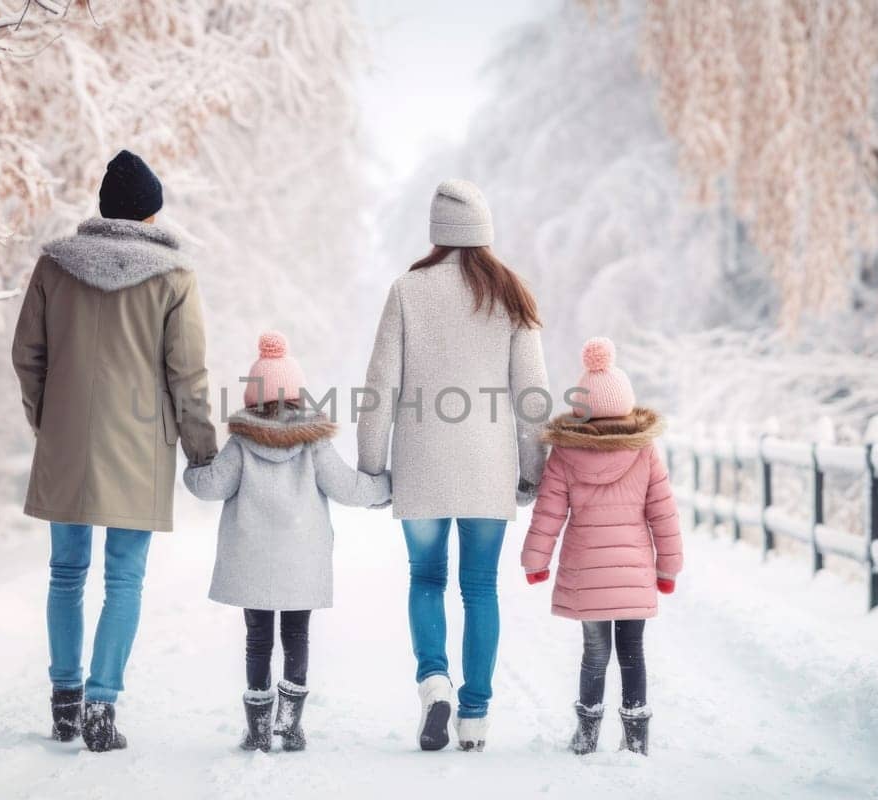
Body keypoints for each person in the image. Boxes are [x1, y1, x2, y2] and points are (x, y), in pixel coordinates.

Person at [11, 149, 217, 752]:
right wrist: (202, 452)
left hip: (67, 441)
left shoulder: (55, 267)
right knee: (124, 580)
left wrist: (47, 422)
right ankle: (102, 706)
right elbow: (189, 376)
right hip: (139, 445)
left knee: (66, 574)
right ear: (151, 214)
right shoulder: (174, 277)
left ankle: (64, 701)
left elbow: (27, 356)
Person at [357, 179, 549, 752]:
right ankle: (474, 715)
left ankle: (434, 680)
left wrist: (372, 467)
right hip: (488, 467)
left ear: (437, 232)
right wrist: (532, 470)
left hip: (421, 465)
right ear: (484, 229)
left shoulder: (408, 290)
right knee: (481, 587)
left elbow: (379, 386)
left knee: (426, 578)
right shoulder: (512, 294)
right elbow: (532, 395)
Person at [183, 331, 391, 753]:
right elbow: (347, 487)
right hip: (302, 556)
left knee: (257, 639)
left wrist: (191, 471)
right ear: (297, 394)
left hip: (251, 555)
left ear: (254, 396)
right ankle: (290, 727)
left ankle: (258, 729)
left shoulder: (242, 440)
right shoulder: (313, 440)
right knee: (297, 636)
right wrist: (385, 486)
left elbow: (211, 487)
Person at [520, 337, 683, 756]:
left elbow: (550, 512)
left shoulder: (565, 452)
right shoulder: (644, 451)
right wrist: (668, 568)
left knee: (594, 653)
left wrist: (535, 561)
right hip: (633, 571)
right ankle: (636, 737)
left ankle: (587, 734)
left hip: (586, 570)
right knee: (632, 652)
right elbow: (663, 514)